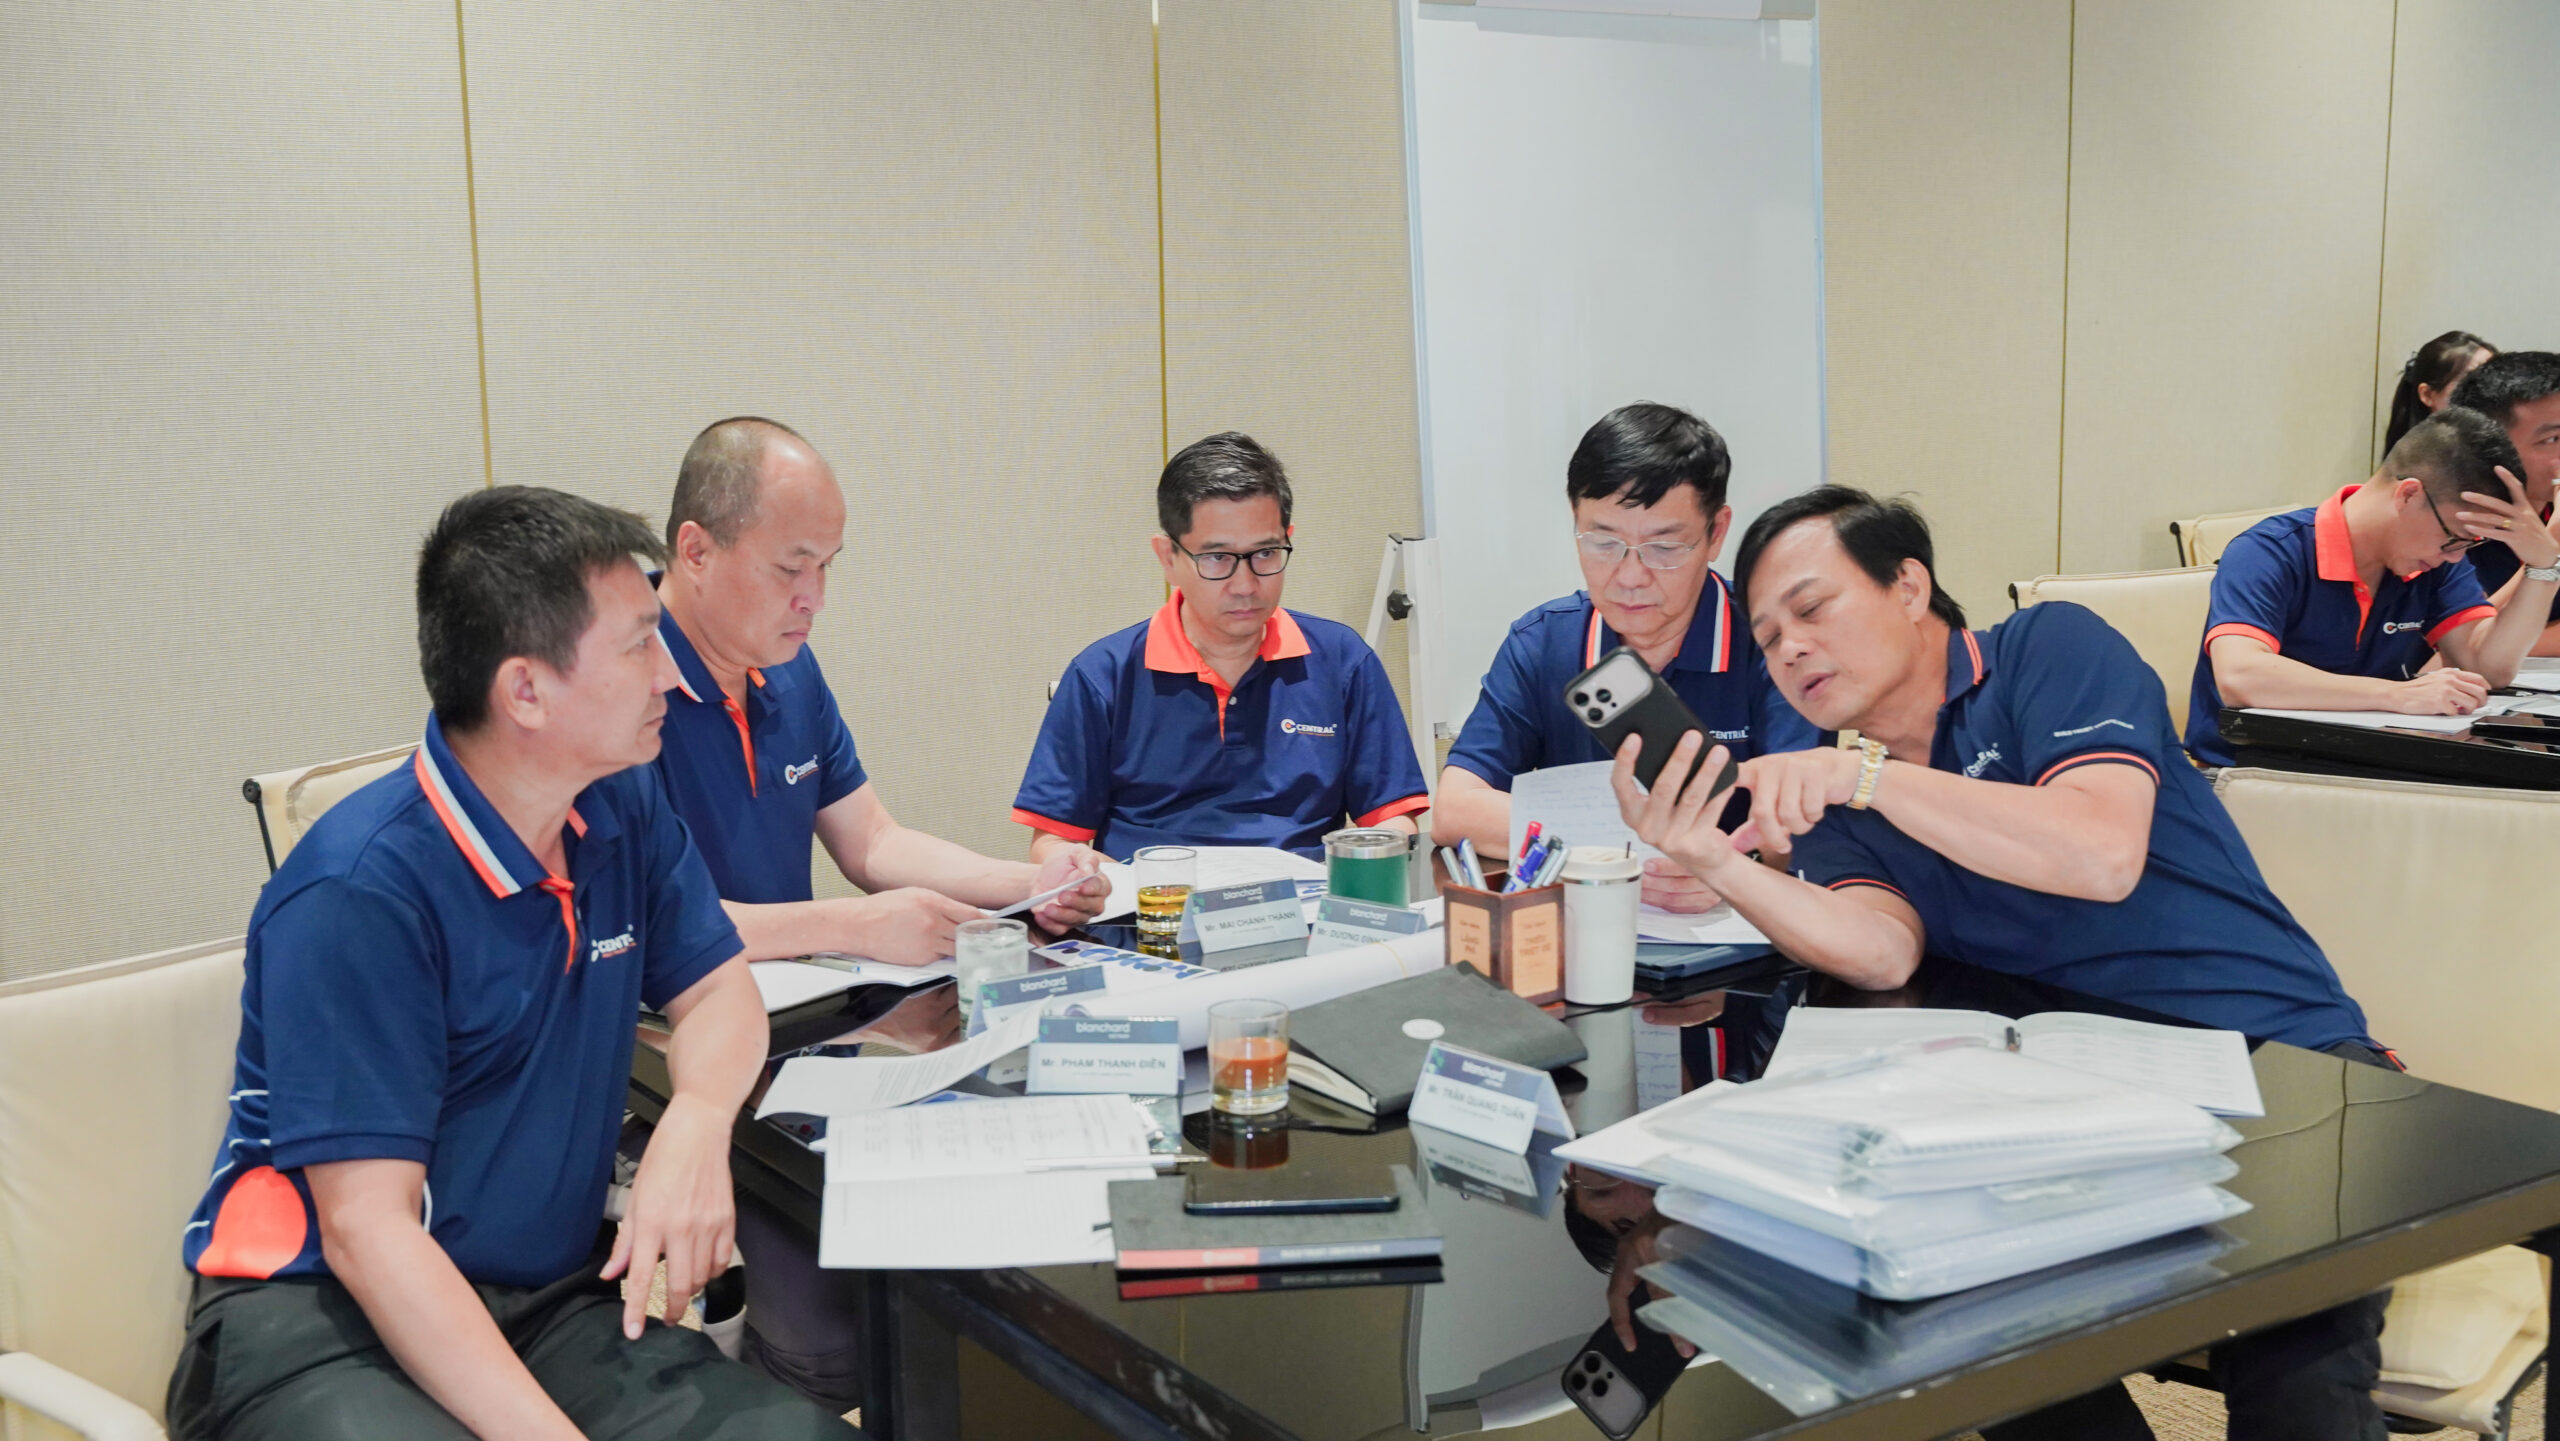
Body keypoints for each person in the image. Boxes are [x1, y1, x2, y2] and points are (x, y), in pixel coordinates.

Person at [1613, 484, 2393, 1440]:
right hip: (2081, 1111)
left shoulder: (2047, 648)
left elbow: (2100, 853)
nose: (1792, 650)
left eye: (1811, 609)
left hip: (2275, 1062)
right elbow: (1880, 949)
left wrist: (1867, 776)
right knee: (1968, 1334)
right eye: (1769, 639)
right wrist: (1714, 860)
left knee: (2292, 1367)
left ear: (1909, 587)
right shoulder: (1842, 789)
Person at [166, 488, 848, 1440]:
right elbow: (369, 1232)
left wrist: (696, 1121)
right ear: (525, 691)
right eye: (639, 645)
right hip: (321, 1324)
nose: (668, 672)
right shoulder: (356, 892)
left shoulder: (621, 805)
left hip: (546, 1303)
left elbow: (720, 990)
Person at [649, 416, 1108, 1408]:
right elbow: (648, 925)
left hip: (807, 1030)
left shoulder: (786, 666)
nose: (814, 598)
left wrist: (1028, 883)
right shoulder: (619, 683)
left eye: (829, 567)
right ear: (695, 549)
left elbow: (871, 839)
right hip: (675, 1049)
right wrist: (850, 926)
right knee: (838, 1335)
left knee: (980, 1243)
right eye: (792, 567)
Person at [1435, 402, 1820, 908]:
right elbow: (1455, 809)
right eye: (1603, 542)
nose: (1630, 576)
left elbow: (1804, 830)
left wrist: (1730, 869)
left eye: (1664, 548)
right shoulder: (1544, 643)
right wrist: (1617, 853)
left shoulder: (1770, 644)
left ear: (1716, 533)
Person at [1013, 431, 1430, 861]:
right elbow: (1054, 841)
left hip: (1303, 894)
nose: (1245, 585)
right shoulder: (1104, 674)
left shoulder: (1342, 660)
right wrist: (1092, 875)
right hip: (1155, 896)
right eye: (1217, 558)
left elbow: (1393, 819)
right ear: (1168, 558)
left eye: (1266, 553)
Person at [2186, 407, 2548, 767]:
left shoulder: (2432, 563)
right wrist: (2397, 695)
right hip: (2251, 772)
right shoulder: (2269, 551)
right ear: (2408, 494)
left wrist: (2546, 567)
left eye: (2470, 544)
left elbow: (2487, 668)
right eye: (2455, 538)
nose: (2455, 557)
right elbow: (2241, 676)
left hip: (2367, 763)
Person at [2450, 350, 2560, 651]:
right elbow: (2467, 644)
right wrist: (2550, 545)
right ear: (2489, 447)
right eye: (2552, 439)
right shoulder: (2450, 527)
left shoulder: (2549, 508)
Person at [2381, 329, 2495, 452]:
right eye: (2471, 382)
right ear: (2427, 395)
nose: (2488, 392)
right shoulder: (2417, 459)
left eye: (2493, 378)